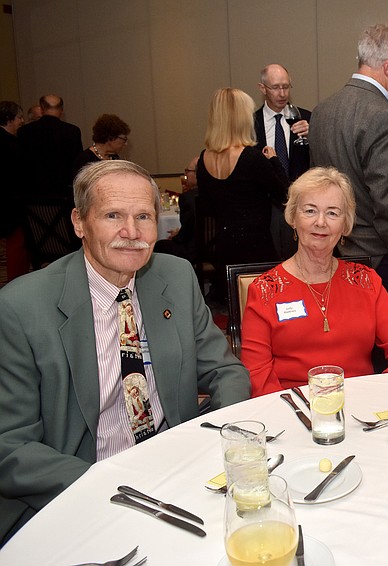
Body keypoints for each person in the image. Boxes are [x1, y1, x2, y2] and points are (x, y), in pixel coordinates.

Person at [0, 160, 250, 543]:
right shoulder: (21, 307)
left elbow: (225, 371)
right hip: (82, 489)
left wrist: (217, 443)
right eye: (113, 215)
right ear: (79, 222)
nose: (131, 233)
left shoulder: (175, 277)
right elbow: (9, 444)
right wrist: (108, 481)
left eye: (143, 217)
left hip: (177, 472)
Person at [241, 167, 388, 395]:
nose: (321, 222)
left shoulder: (366, 281)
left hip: (361, 405)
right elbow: (257, 374)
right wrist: (297, 410)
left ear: (345, 225)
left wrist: (380, 393)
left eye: (333, 213)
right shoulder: (265, 290)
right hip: (293, 408)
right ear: (292, 217)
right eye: (310, 211)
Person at [309, 23, 388, 346]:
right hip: (386, 264)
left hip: (339, 258)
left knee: (353, 352)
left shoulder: (322, 111)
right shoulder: (382, 117)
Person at [197, 87, 290, 296]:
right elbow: (285, 194)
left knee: (234, 306)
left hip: (224, 248)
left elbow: (207, 206)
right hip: (256, 249)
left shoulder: (204, 159)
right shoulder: (251, 158)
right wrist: (274, 160)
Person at [16, 94, 83, 197]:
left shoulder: (25, 131)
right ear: (61, 110)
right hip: (63, 193)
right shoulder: (72, 131)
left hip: (33, 192)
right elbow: (77, 165)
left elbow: (21, 163)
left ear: (42, 109)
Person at [254, 63, 311, 181]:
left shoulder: (306, 118)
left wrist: (312, 136)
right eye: (275, 88)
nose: (282, 94)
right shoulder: (251, 123)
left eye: (285, 87)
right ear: (263, 88)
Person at [0, 101, 28, 281]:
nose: (22, 121)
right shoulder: (12, 144)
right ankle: (16, 285)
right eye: (19, 117)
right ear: (9, 118)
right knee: (17, 248)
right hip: (11, 203)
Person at [153, 156, 199, 262]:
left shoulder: (189, 197)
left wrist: (176, 237)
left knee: (159, 245)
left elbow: (185, 236)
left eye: (188, 171)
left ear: (198, 174)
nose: (186, 174)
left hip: (193, 252)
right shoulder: (219, 194)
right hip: (216, 250)